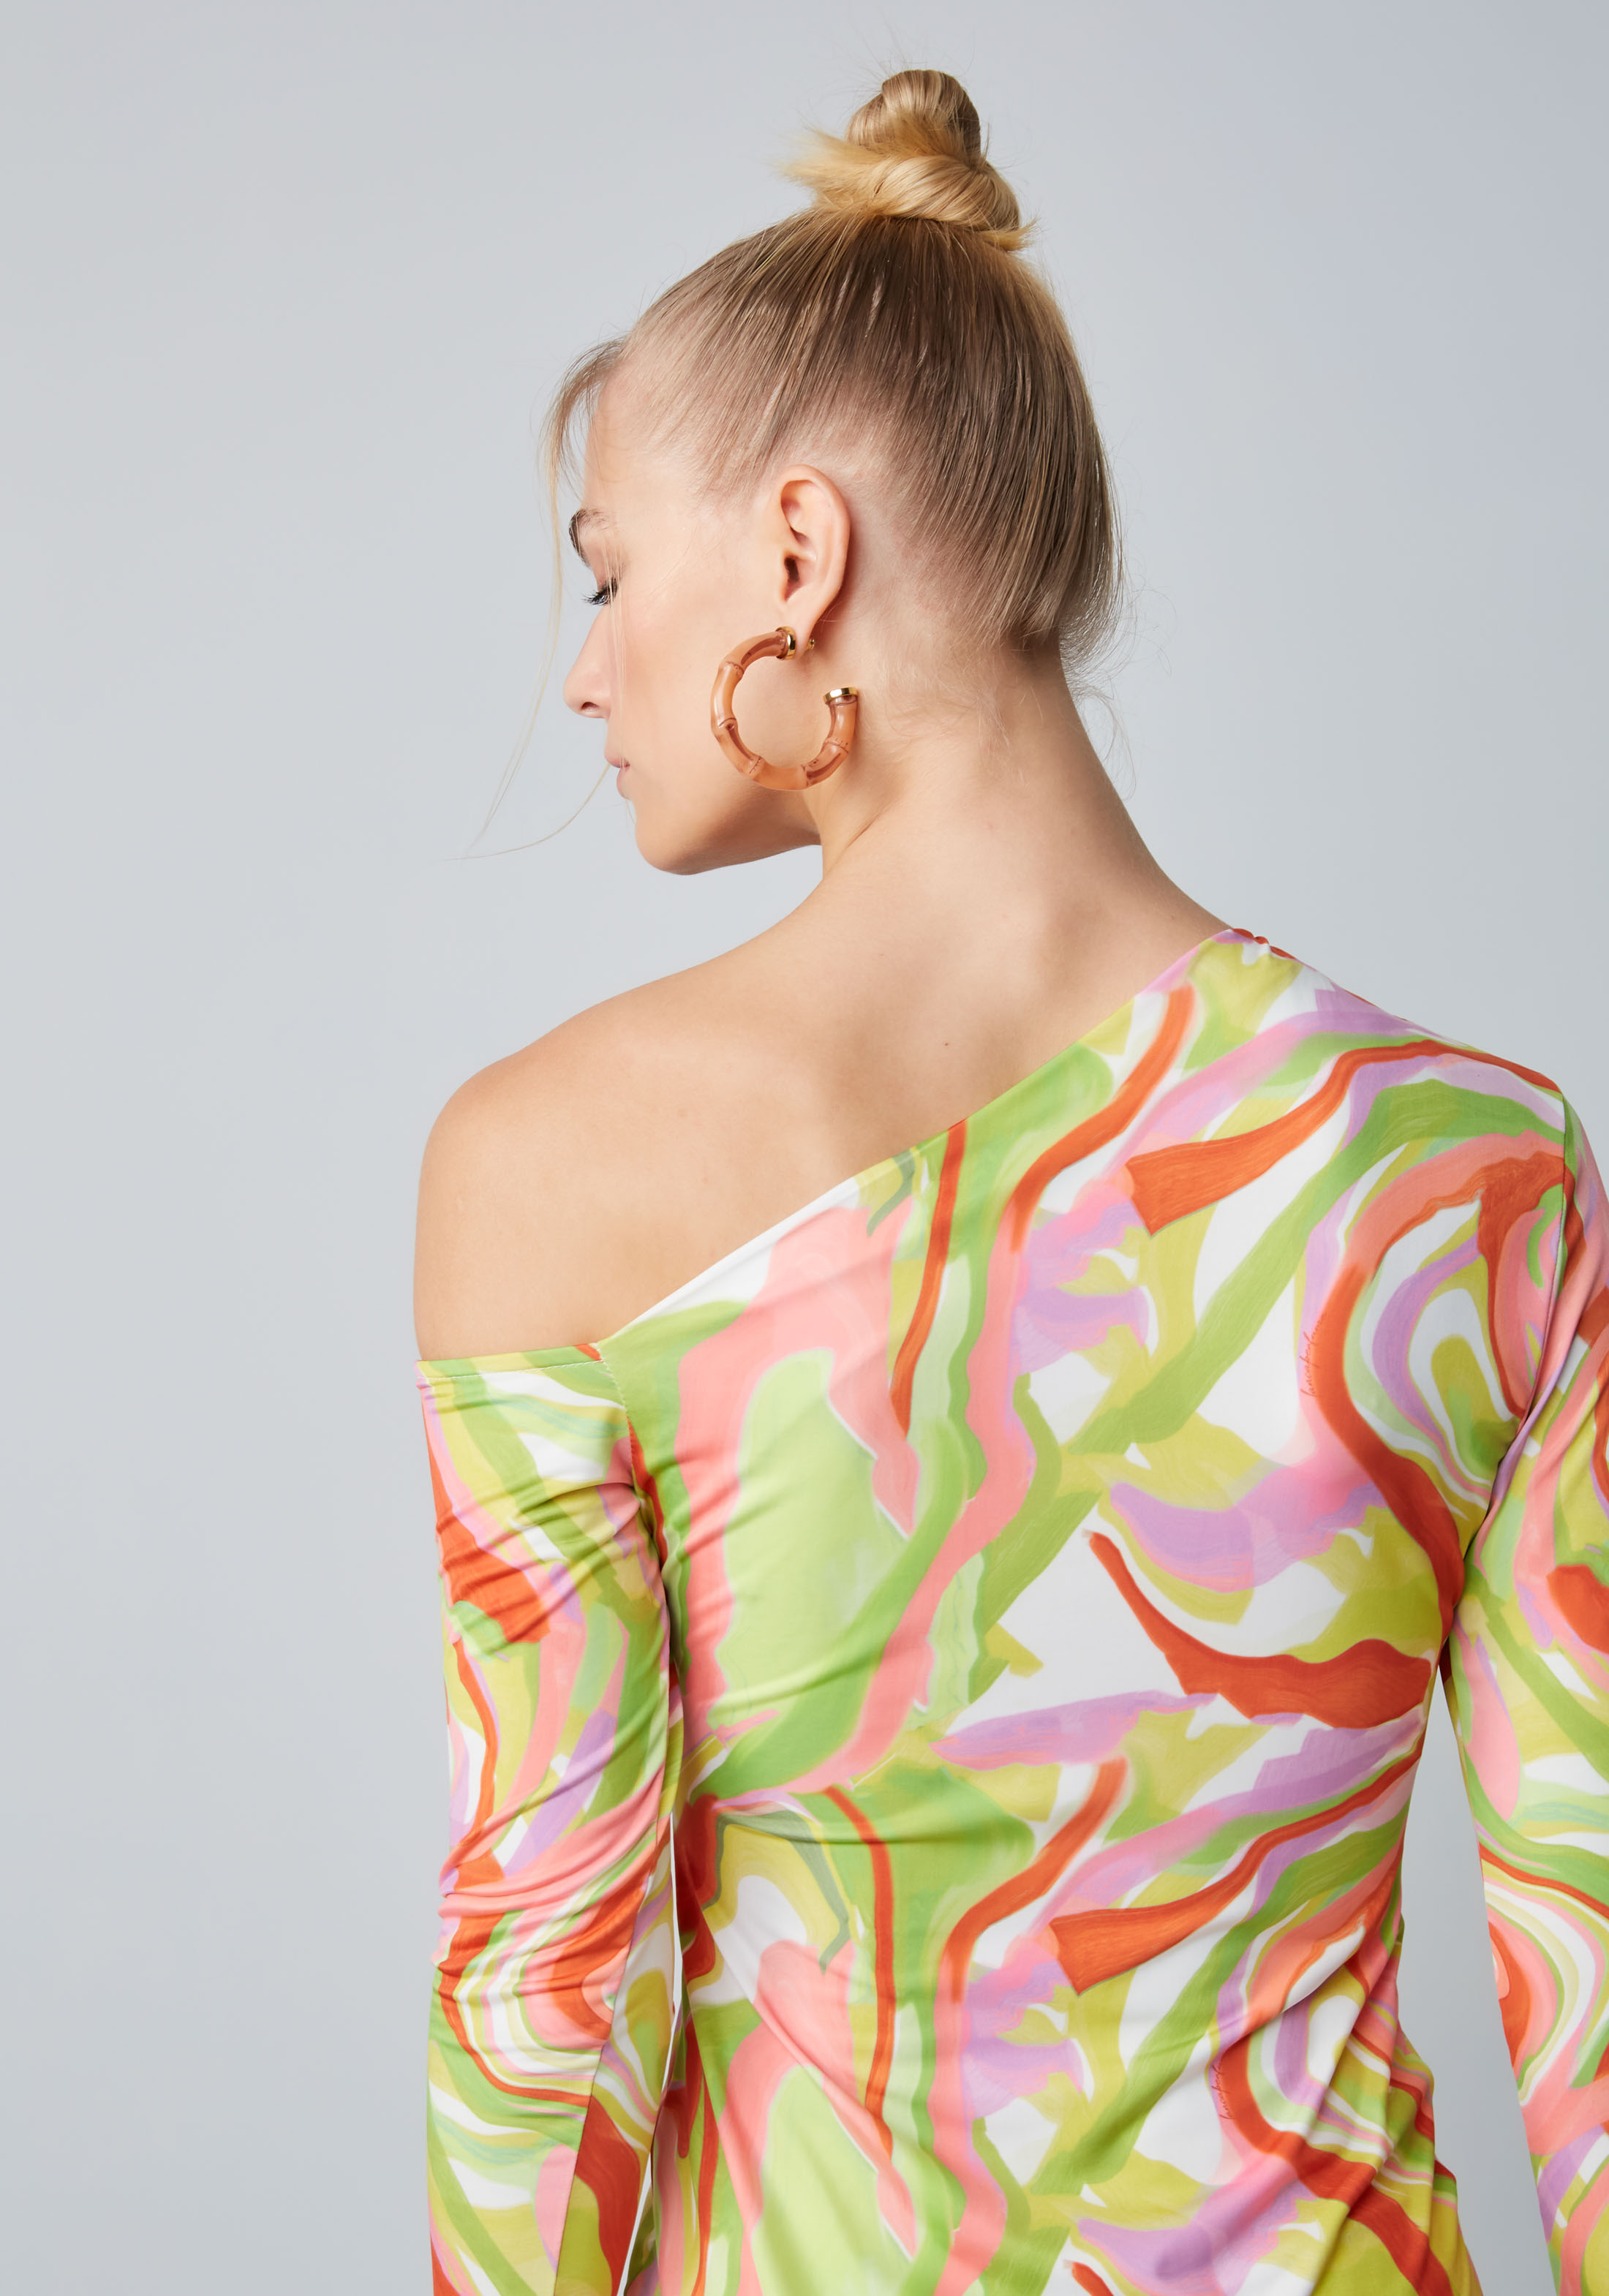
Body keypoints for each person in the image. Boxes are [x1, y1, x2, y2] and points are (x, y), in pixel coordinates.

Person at [412, 68, 1609, 2296]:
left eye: (606, 574)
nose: (584, 671)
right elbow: (1592, 1961)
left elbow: (548, 1986)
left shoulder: (548, 1165)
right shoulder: (1477, 1166)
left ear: (796, 555)